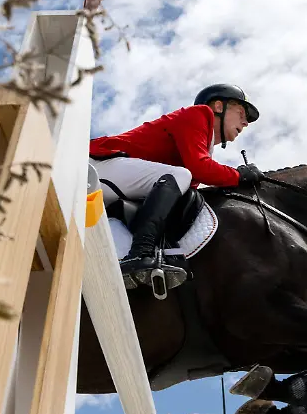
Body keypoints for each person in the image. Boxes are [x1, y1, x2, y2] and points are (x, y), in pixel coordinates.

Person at [89, 83, 267, 288]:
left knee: (186, 193)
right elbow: (199, 167)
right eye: (241, 113)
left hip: (113, 181)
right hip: (96, 168)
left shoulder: (203, 144)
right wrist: (238, 176)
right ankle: (140, 253)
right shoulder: (199, 114)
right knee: (181, 175)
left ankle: (158, 252)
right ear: (219, 106)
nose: (245, 123)